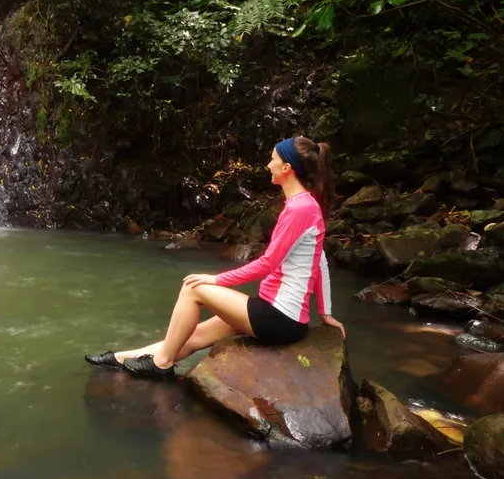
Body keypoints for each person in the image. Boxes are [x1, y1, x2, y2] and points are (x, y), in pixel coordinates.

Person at [85, 136, 346, 378]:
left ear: (287, 168)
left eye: (273, 159)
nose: (268, 164)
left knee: (192, 288)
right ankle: (119, 359)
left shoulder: (300, 208)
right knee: (192, 336)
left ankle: (161, 365)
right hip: (276, 313)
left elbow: (268, 264)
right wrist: (325, 314)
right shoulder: (304, 205)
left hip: (278, 317)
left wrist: (216, 279)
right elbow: (319, 259)